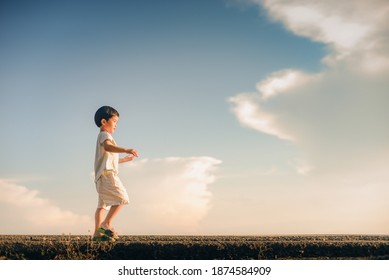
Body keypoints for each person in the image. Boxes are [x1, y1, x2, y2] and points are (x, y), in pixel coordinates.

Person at [93, 105, 138, 241]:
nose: (116, 125)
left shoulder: (102, 136)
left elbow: (110, 159)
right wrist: (126, 149)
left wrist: (124, 159)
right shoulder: (104, 135)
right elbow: (108, 146)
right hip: (108, 175)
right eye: (114, 122)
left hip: (101, 177)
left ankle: (97, 234)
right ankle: (106, 224)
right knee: (122, 198)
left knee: (102, 206)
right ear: (104, 122)